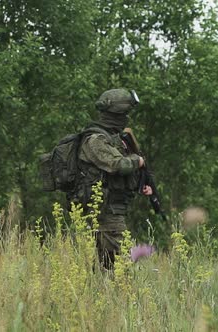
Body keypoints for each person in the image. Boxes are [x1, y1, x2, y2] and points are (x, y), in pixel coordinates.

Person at [69, 88, 153, 269]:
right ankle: (126, 297)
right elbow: (117, 165)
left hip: (113, 210)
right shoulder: (95, 139)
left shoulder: (115, 138)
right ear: (117, 113)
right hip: (104, 212)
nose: (127, 118)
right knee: (126, 262)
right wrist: (137, 161)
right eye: (125, 113)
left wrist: (142, 183)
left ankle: (99, 296)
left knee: (107, 267)